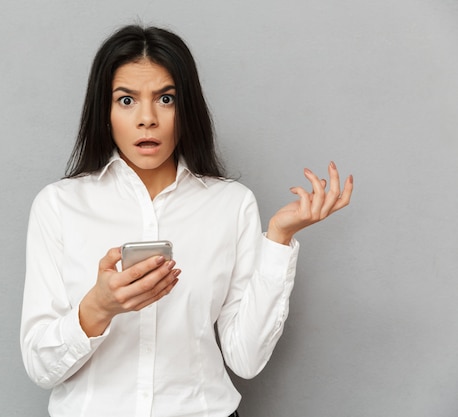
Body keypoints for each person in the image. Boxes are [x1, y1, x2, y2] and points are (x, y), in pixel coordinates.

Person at [20, 24, 353, 417]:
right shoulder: (59, 205)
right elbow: (41, 367)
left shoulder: (231, 204)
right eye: (126, 100)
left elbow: (245, 359)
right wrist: (98, 307)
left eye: (165, 98)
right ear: (104, 111)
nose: (147, 119)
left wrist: (278, 238)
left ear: (186, 107)